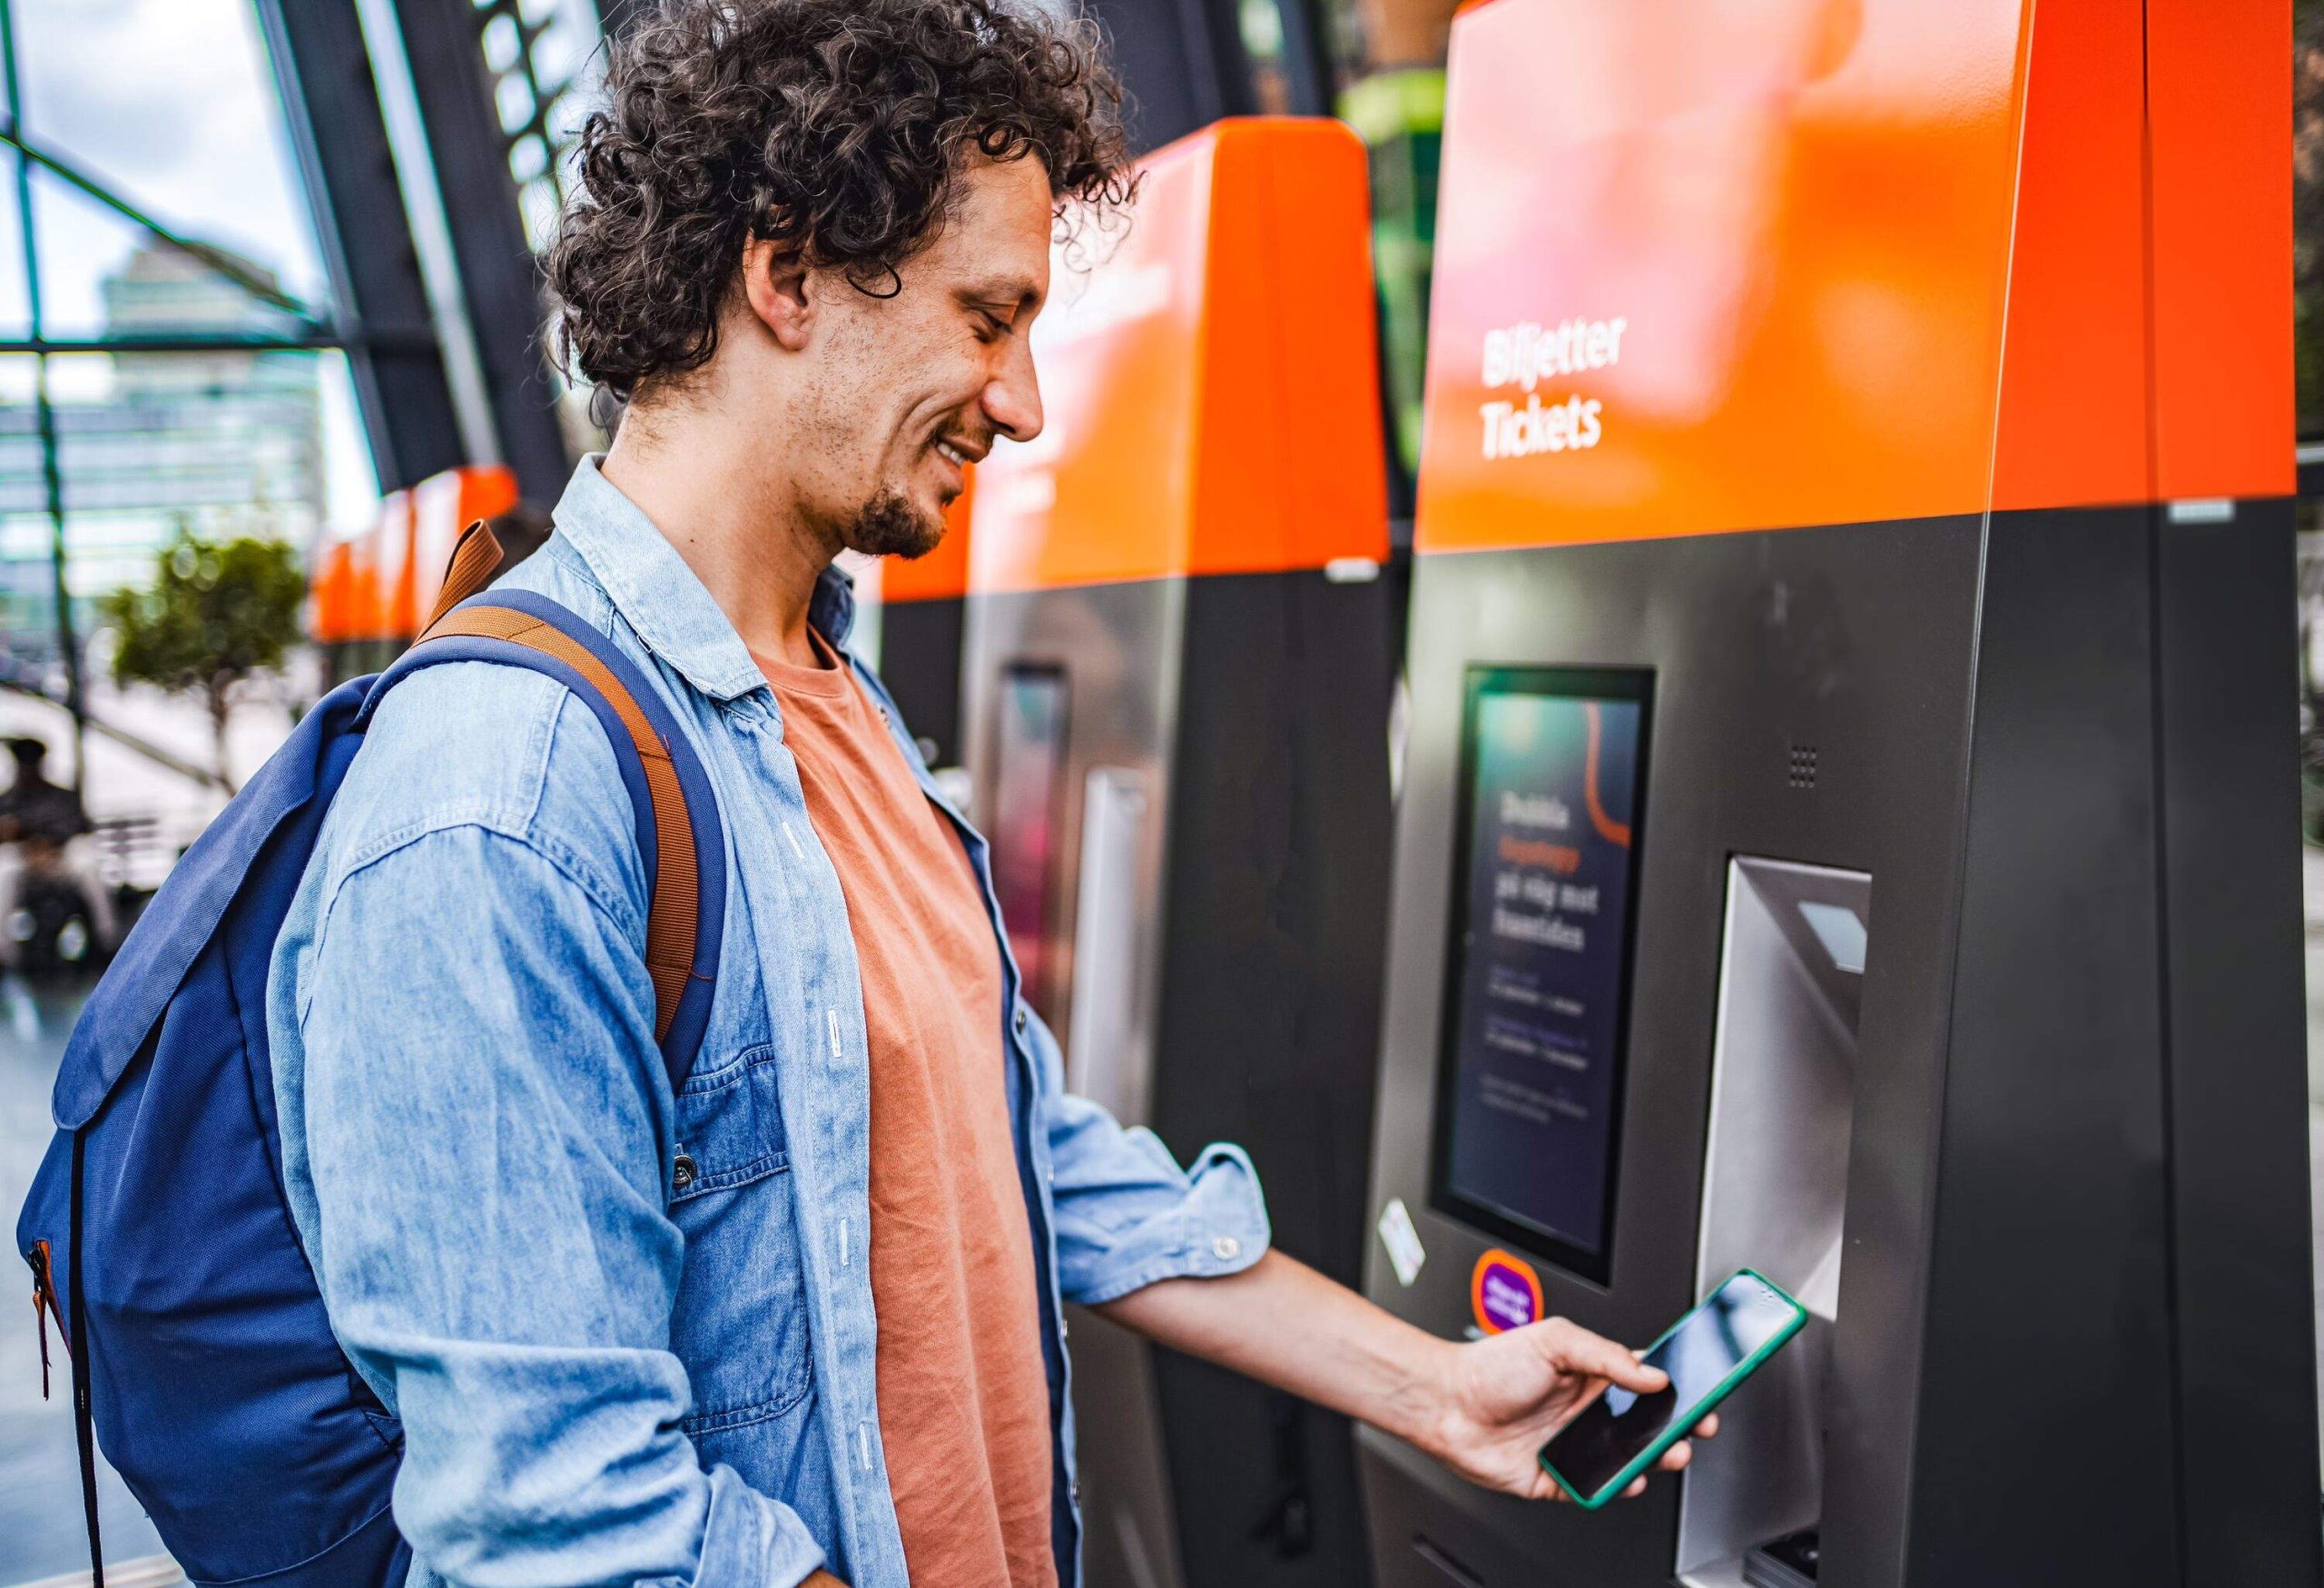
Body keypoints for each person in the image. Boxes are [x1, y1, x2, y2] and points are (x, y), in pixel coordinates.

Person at [265, 4, 1713, 1584]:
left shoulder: (833, 699)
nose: (1021, 400)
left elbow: (1024, 1147)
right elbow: (566, 1516)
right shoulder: (501, 801)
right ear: (788, 273)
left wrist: (1437, 1386)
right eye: (987, 315)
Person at [0, 735, 114, 971]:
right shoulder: (8, 800)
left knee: (87, 863)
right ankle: (5, 954)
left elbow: (78, 827)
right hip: (27, 867)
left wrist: (48, 844)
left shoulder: (61, 796)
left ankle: (108, 940)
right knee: (5, 868)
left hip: (61, 861)